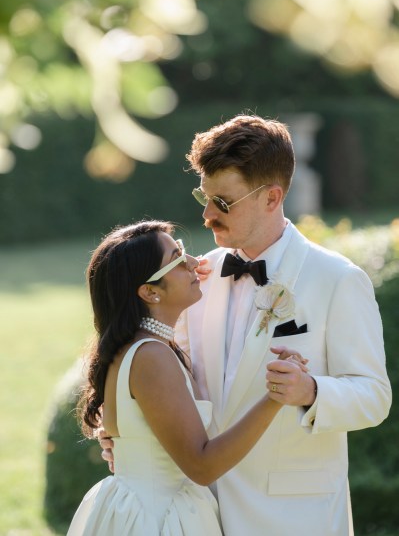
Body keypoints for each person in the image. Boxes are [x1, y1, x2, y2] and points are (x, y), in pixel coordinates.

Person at [100, 115, 392, 536]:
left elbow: (375, 395)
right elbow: (167, 377)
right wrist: (131, 436)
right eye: (205, 196)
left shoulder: (338, 279)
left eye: (223, 202)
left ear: (272, 198)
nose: (206, 215)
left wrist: (311, 391)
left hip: (295, 517)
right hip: (203, 511)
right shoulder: (194, 281)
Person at [67, 220, 306, 535]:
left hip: (149, 505)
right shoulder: (151, 356)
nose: (194, 262)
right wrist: (275, 396)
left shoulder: (147, 347)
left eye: (183, 251)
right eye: (177, 260)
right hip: (156, 518)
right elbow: (201, 466)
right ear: (150, 292)